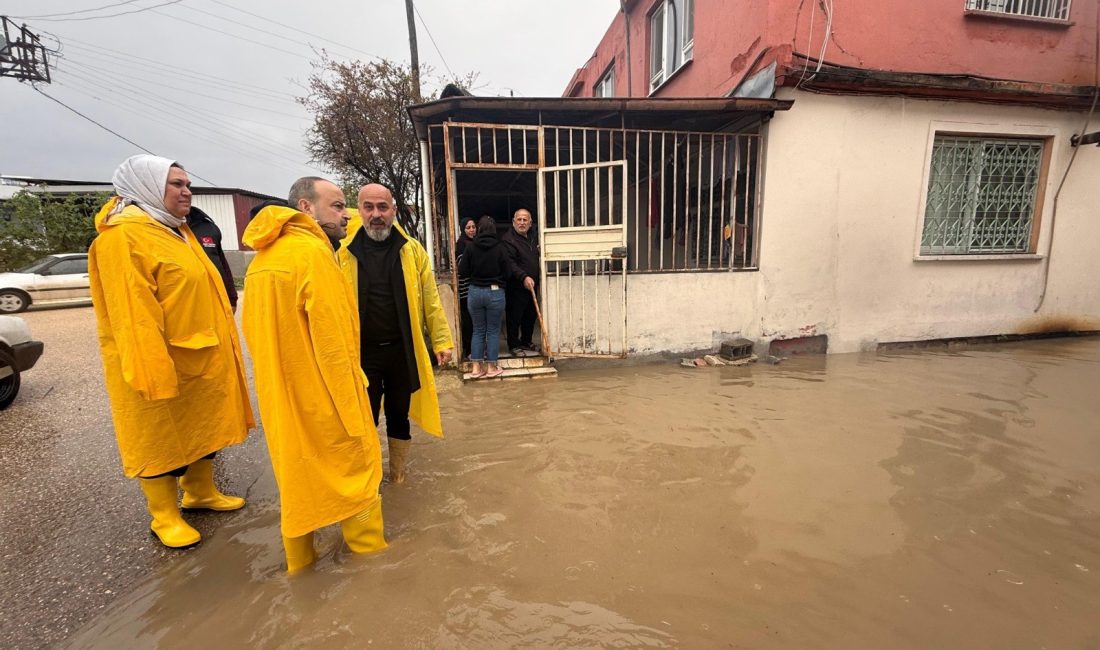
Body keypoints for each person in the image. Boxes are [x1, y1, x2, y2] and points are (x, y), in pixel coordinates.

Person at [88, 155, 253, 549]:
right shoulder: (123, 238)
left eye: (187, 184)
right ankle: (164, 515)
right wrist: (151, 372)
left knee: (204, 425)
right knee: (160, 436)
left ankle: (199, 492)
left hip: (199, 354)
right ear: (145, 186)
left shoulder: (177, 230)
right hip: (160, 361)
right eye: (175, 184)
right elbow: (132, 314)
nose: (187, 191)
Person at [241, 176, 387, 573]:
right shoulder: (312, 256)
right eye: (338, 206)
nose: (348, 215)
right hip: (324, 395)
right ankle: (376, 570)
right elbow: (334, 344)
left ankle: (301, 571)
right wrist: (355, 414)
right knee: (354, 476)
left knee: (298, 483)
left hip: (281, 397)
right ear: (306, 208)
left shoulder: (264, 258)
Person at [338, 183, 453, 485]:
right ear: (359, 210)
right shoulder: (342, 252)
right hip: (363, 354)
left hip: (403, 350)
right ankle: (370, 478)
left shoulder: (412, 250)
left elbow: (431, 299)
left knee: (399, 415)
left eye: (382, 207)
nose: (376, 214)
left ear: (394, 210)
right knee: (365, 419)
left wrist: (441, 340)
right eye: (369, 207)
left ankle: (398, 475)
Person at [457, 215, 509, 378]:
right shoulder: (500, 247)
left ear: (478, 229)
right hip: (495, 291)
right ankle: (492, 368)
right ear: (494, 230)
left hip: (475, 292)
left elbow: (462, 271)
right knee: (493, 331)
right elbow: (508, 272)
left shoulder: (471, 248)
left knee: (478, 330)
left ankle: (476, 369)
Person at [501, 208, 541, 357]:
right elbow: (510, 264)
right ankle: (513, 344)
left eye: (525, 220)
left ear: (530, 223)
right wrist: (523, 277)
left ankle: (526, 341)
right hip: (516, 285)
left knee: (530, 315)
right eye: (519, 219)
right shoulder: (508, 239)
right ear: (513, 222)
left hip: (533, 285)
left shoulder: (534, 237)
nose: (522, 223)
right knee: (514, 316)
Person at [186, 206, 238, 310]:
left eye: (188, 188)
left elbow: (221, 263)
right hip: (185, 304)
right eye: (177, 188)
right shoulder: (154, 229)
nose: (187, 192)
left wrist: (232, 298)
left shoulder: (207, 226)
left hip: (215, 301)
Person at [455, 217, 476, 360]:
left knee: (475, 322)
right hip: (465, 289)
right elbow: (462, 266)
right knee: (468, 322)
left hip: (474, 288)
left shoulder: (474, 243)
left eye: (473, 227)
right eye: (468, 228)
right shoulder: (461, 244)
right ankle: (469, 350)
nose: (472, 230)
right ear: (463, 229)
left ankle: (475, 349)